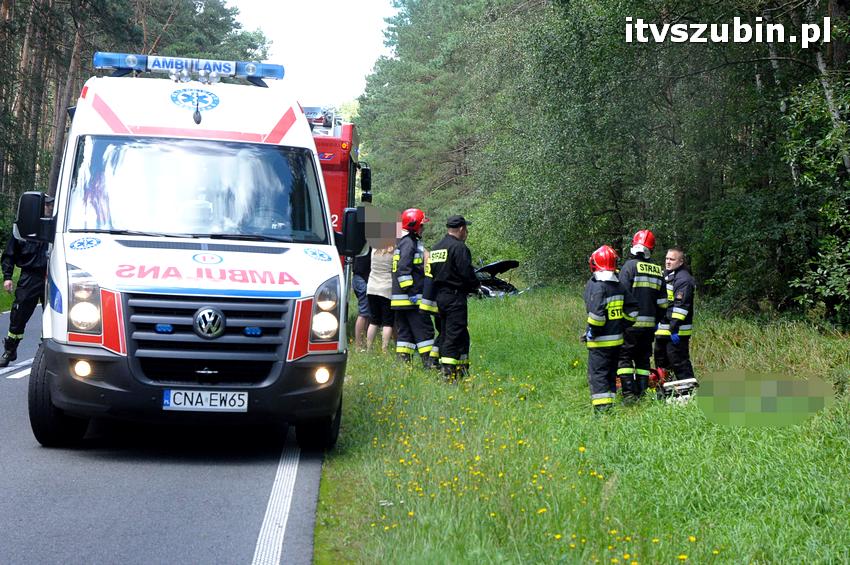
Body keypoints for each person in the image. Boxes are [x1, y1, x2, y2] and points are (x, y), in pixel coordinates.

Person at [583, 245, 639, 412]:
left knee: (598, 375)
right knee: (610, 374)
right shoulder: (619, 285)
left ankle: (602, 411)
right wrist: (622, 323)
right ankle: (610, 404)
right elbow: (633, 310)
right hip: (616, 341)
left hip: (599, 343)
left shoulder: (597, 286)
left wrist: (592, 331)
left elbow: (597, 317)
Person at [616, 230, 667, 402]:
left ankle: (629, 395)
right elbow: (663, 303)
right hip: (649, 327)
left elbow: (620, 296)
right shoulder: (658, 271)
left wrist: (619, 321)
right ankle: (643, 393)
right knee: (643, 360)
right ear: (651, 249)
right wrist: (655, 320)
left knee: (624, 359)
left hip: (630, 325)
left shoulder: (629, 267)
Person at [428, 215, 480, 381]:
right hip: (455, 297)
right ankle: (448, 374)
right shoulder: (459, 248)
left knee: (447, 333)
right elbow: (466, 273)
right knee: (453, 334)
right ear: (462, 229)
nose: (467, 232)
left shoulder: (436, 248)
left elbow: (431, 273)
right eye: (466, 229)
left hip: (439, 298)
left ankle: (453, 367)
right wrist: (476, 286)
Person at [1, 221, 50, 368]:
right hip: (30, 276)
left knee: (54, 316)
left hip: (54, 276)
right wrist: (8, 277)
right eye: (45, 205)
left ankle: (47, 353)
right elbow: (9, 253)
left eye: (50, 205)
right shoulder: (24, 228)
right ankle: (10, 350)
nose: (48, 208)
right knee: (18, 314)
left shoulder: (57, 224)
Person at [391, 208, 435, 367]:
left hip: (400, 301)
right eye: (422, 225)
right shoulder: (409, 243)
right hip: (411, 300)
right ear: (414, 225)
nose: (423, 228)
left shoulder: (403, 242)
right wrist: (412, 292)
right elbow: (404, 269)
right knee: (425, 331)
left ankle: (403, 365)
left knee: (405, 334)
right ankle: (429, 364)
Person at [654, 247, 696, 384]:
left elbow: (680, 308)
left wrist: (673, 329)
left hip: (677, 331)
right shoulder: (666, 276)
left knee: (679, 363)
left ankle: (689, 392)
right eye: (666, 258)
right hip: (663, 330)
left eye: (672, 259)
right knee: (661, 363)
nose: (668, 262)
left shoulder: (684, 279)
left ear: (681, 261)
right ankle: (666, 392)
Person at [366, 244, 394, 352]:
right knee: (387, 322)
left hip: (372, 287)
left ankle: (368, 348)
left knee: (374, 321)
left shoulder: (374, 249)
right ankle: (384, 349)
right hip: (386, 288)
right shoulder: (393, 251)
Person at [352, 249, 371, 350]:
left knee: (367, 314)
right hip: (363, 279)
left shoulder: (360, 242)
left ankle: (362, 343)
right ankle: (358, 346)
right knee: (363, 314)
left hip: (358, 278)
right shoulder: (369, 243)